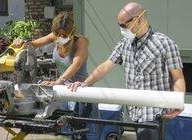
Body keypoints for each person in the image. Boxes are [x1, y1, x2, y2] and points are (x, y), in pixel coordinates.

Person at [68, 2, 185, 140]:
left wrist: (178, 103)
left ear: (139, 19)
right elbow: (105, 66)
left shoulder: (165, 44)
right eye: (120, 26)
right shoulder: (125, 44)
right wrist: (85, 83)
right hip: (135, 114)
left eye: (124, 25)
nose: (122, 29)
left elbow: (178, 77)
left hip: (155, 115)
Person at [13, 12, 99, 139]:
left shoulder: (81, 41)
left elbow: (76, 64)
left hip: (81, 91)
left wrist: (58, 80)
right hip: (64, 92)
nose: (60, 37)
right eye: (57, 34)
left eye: (63, 35)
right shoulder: (55, 36)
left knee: (81, 134)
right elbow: (33, 44)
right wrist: (21, 43)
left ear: (72, 31)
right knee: (65, 133)